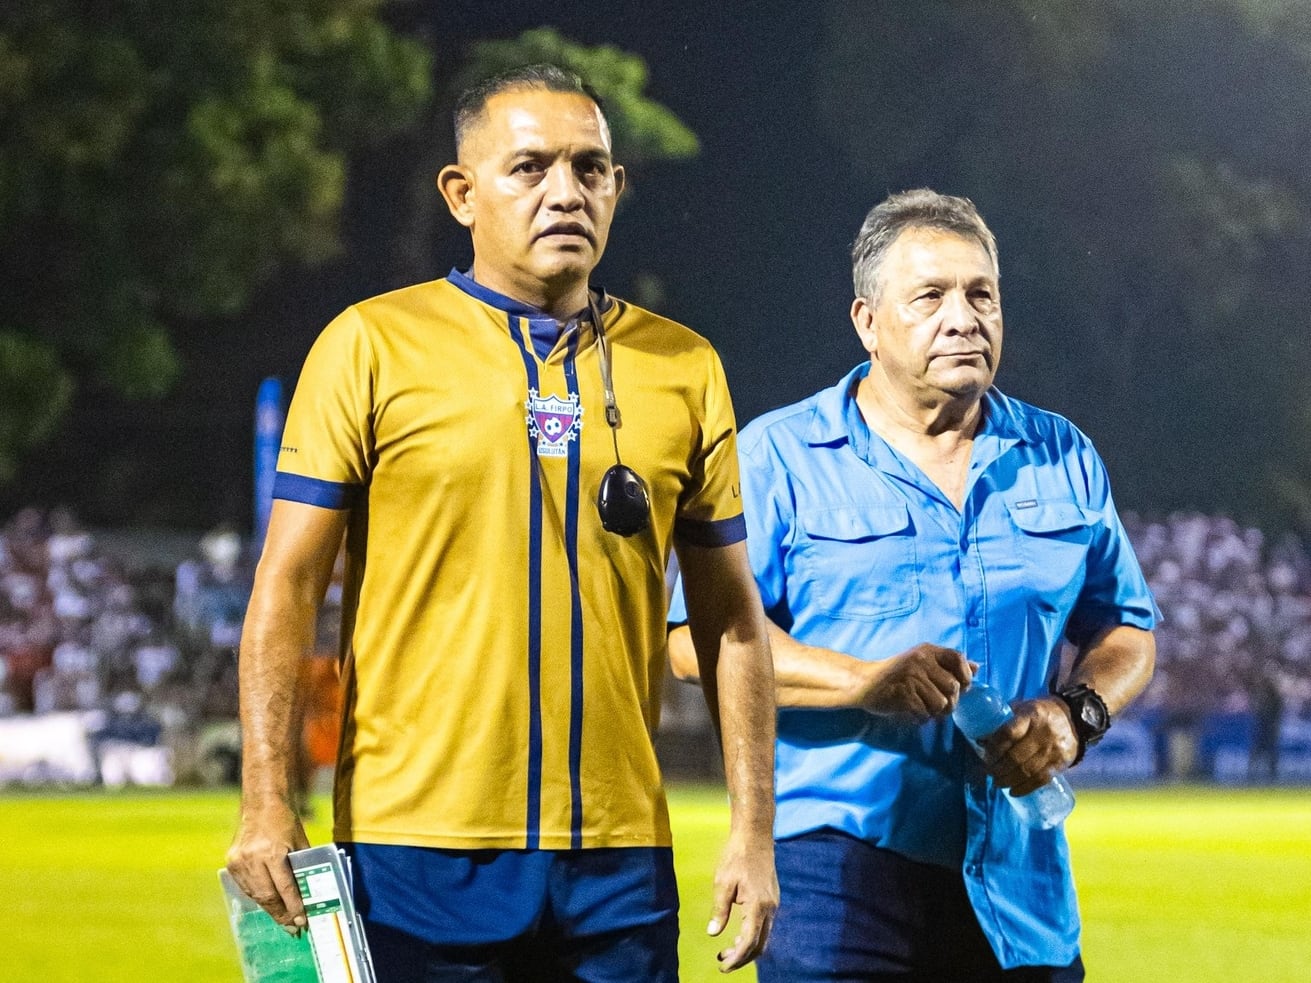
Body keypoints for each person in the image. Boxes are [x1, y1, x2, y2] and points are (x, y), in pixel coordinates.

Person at [226, 64, 778, 981]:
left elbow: (731, 618)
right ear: (461, 191)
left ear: (616, 187)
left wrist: (754, 833)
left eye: (590, 168)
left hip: (618, 856)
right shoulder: (369, 344)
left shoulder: (684, 365)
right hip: (414, 849)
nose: (566, 191)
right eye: (530, 167)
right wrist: (264, 801)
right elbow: (284, 584)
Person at [669, 189, 1159, 981]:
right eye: (929, 296)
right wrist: (864, 680)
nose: (962, 317)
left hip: (1014, 871)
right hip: (837, 864)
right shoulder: (779, 458)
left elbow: (1128, 631)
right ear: (866, 321)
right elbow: (692, 644)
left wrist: (1076, 715)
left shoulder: (1060, 454)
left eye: (981, 295)